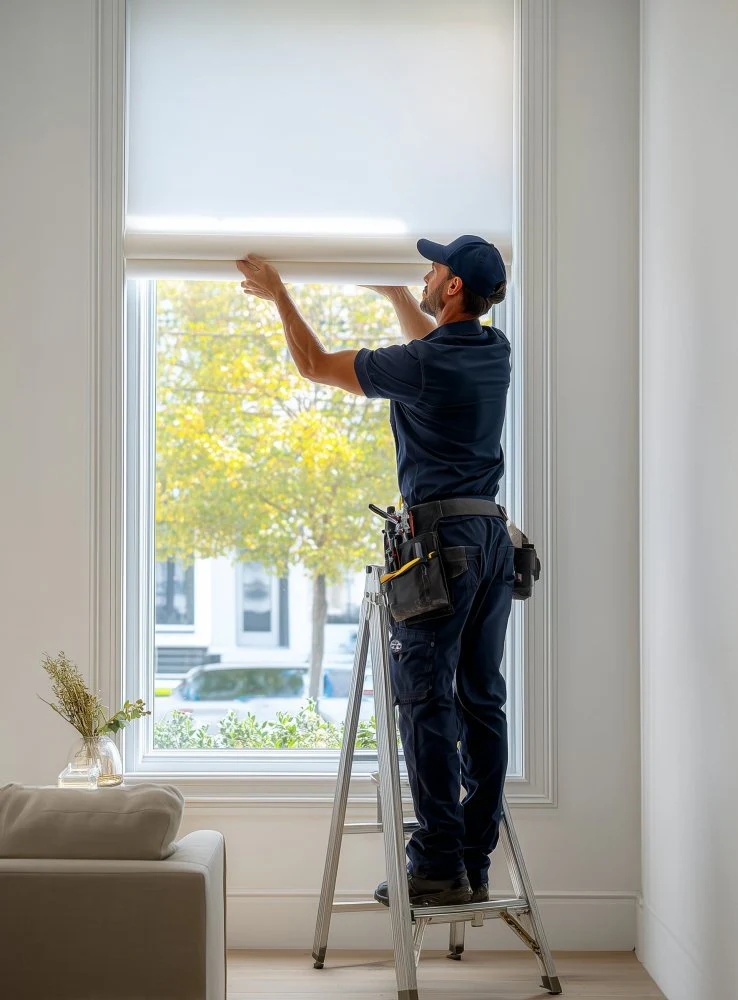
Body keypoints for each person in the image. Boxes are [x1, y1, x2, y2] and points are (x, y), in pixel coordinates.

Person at [237, 235, 515, 908]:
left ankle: (438, 864)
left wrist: (279, 294)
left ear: (453, 286)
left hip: (441, 544)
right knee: (481, 700)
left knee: (425, 699)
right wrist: (395, 296)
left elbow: (314, 365)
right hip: (491, 539)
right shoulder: (493, 350)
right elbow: (432, 341)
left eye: (433, 269)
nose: (426, 274)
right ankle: (472, 862)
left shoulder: (422, 364)